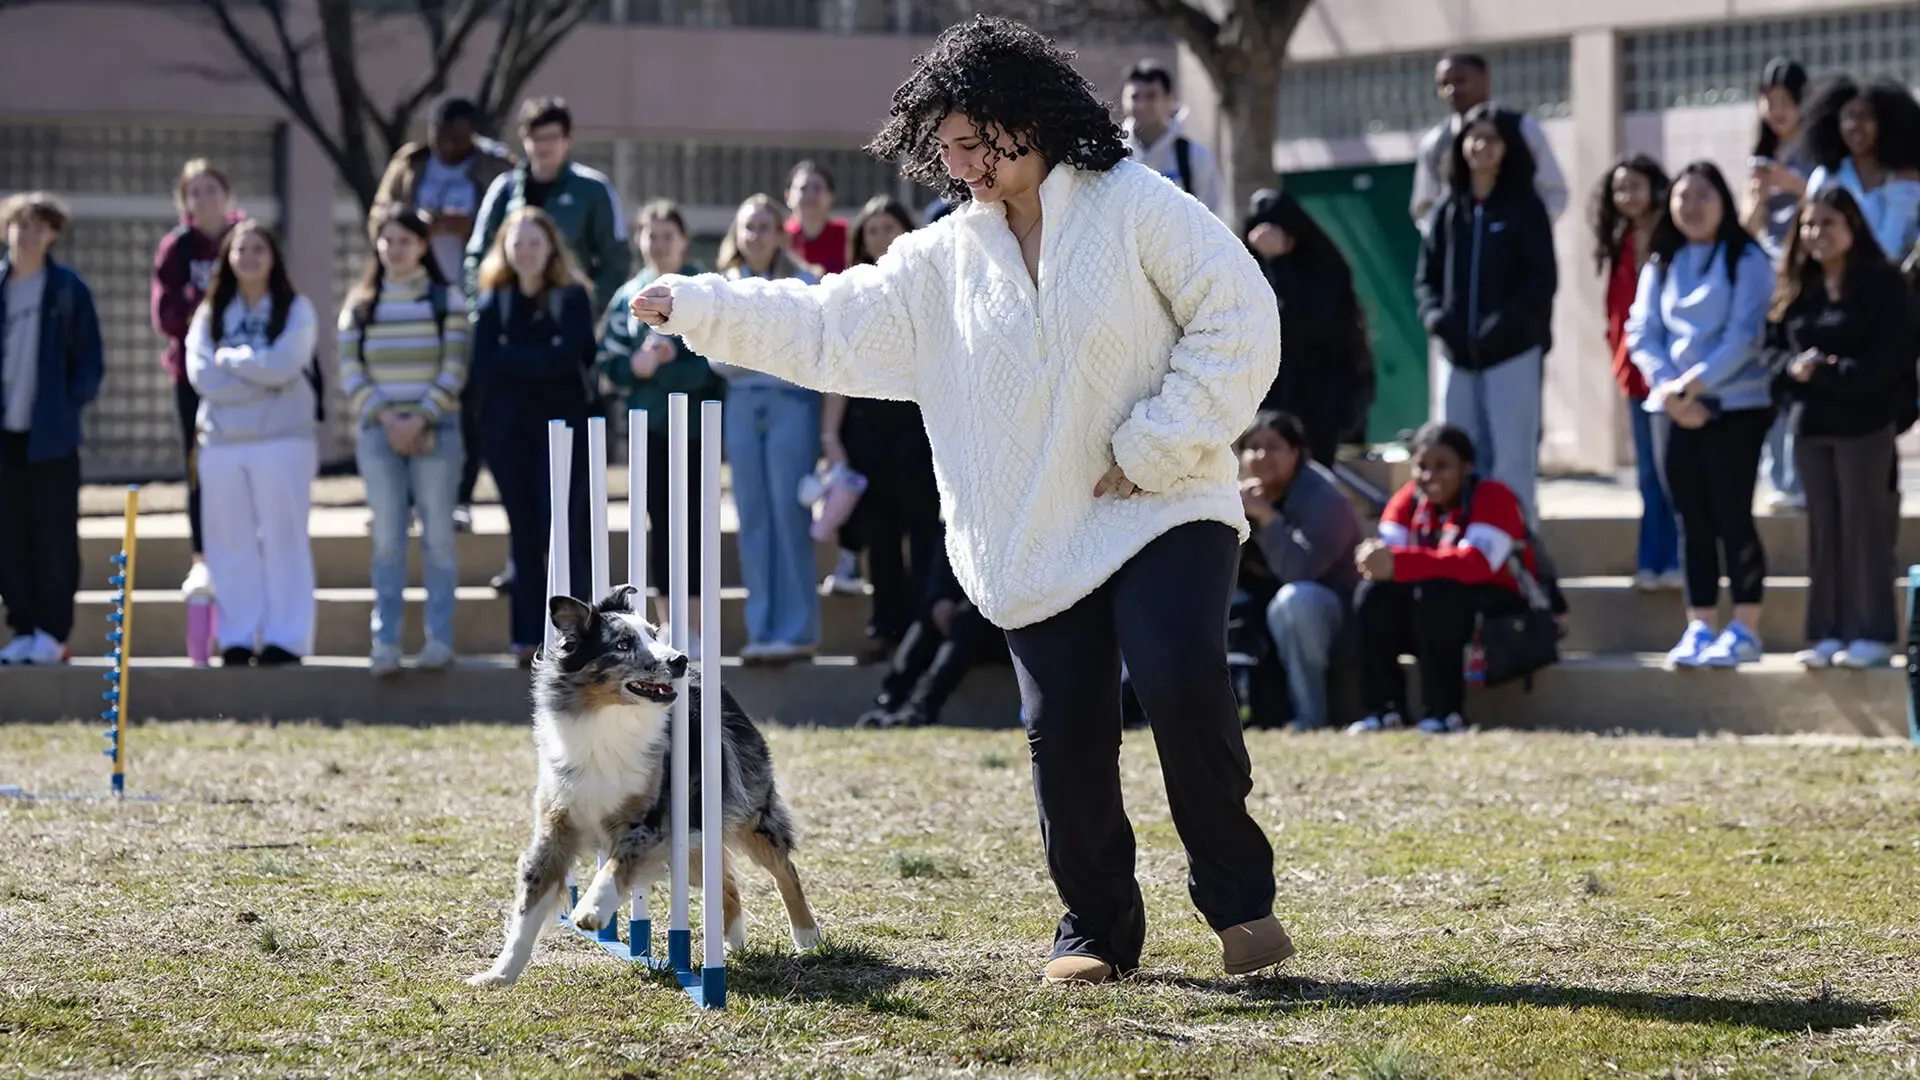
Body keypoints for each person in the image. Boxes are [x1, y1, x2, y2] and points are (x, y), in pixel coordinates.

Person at [631, 16, 1290, 985]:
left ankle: (1240, 902)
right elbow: (827, 320)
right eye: (947, 152)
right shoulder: (942, 263)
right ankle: (1097, 927)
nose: (964, 166)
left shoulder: (1137, 204)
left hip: (1164, 500)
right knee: (1063, 728)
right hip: (1037, 528)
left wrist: (1156, 441)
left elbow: (1240, 317)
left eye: (977, 143)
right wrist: (700, 305)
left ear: (1029, 118)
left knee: (1179, 674)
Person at [1625, 161, 1777, 670]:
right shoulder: (1661, 261)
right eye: (1683, 197)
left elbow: (1744, 335)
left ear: (1725, 201)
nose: (1691, 207)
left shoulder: (1746, 257)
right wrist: (1668, 389)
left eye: (1703, 196)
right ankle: (1700, 624)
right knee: (1691, 519)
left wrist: (1693, 386)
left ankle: (1745, 627)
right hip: (1670, 407)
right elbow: (1641, 332)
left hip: (1735, 406)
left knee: (1732, 516)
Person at [1765, 188, 1910, 670]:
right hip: (1811, 425)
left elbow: (1892, 357)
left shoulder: (1882, 284)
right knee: (1824, 529)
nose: (1816, 234)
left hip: (1865, 424)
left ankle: (1871, 632)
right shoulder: (1796, 286)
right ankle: (1825, 631)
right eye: (1808, 225)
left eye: (1828, 224)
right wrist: (1794, 370)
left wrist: (1830, 371)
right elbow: (1771, 351)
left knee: (1864, 527)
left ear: (1852, 226)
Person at [372, 94, 514, 533]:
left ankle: (460, 497)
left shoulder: (495, 166)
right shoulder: (410, 165)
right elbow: (378, 217)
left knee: (467, 399)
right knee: (411, 390)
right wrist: (416, 225)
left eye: (458, 140)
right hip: (418, 297)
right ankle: (402, 498)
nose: (449, 148)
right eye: (441, 138)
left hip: (472, 297)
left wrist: (465, 224)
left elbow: (516, 223)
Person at [338, 206, 469, 676]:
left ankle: (439, 642)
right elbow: (350, 373)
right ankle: (385, 645)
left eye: (406, 241)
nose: (396, 249)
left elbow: (455, 367)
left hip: (439, 435)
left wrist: (420, 419)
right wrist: (390, 420)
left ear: (422, 246)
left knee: (438, 540)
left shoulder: (446, 300)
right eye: (388, 240)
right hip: (379, 436)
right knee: (388, 542)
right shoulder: (360, 304)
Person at [184, 221, 319, 667]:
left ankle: (286, 639)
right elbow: (202, 376)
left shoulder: (296, 309)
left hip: (283, 441)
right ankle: (237, 637)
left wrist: (237, 363)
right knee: (228, 543)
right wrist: (259, 379)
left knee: (284, 539)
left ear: (274, 256)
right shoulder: (210, 313)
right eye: (241, 249)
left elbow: (286, 365)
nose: (250, 256)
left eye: (259, 248)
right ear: (228, 258)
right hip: (222, 444)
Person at [1416, 103, 1557, 523]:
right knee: (1458, 455)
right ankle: (1461, 542)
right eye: (1473, 138)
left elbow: (1541, 282)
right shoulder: (1446, 209)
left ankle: (1516, 552)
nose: (1481, 146)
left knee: (1512, 459)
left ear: (1507, 148)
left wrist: (1500, 326)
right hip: (1457, 358)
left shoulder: (1525, 207)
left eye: (1492, 138)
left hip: (1511, 354)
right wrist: (1438, 320)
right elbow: (1426, 280)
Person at [1347, 423, 1534, 735]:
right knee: (1374, 595)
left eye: (1442, 466)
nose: (1430, 476)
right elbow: (1387, 559)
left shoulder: (1493, 496)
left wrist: (1396, 562)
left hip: (1498, 613)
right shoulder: (1408, 499)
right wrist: (1374, 560)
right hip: (1431, 608)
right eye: (1421, 467)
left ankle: (1445, 712)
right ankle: (1385, 709)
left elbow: (1476, 564)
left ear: (1467, 467)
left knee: (1437, 593)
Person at [469, 207, 595, 666]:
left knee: (562, 534)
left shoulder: (573, 298)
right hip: (507, 438)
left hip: (564, 435)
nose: (525, 252)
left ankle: (576, 637)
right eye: (517, 243)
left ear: (551, 248)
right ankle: (526, 637)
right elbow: (483, 364)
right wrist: (541, 358)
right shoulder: (492, 301)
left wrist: (515, 359)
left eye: (534, 243)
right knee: (522, 536)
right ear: (504, 248)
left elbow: (568, 359)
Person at [598, 200, 724, 645]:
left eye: (669, 235)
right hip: (648, 429)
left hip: (694, 431)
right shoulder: (627, 295)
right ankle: (668, 627)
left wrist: (671, 366)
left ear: (684, 241)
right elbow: (607, 363)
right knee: (659, 524)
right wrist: (635, 366)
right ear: (639, 240)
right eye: (652, 235)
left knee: (694, 525)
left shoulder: (704, 289)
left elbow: (716, 360)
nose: (660, 244)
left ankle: (699, 627)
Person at [823, 196, 941, 653]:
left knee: (924, 529)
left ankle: (924, 628)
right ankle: (887, 629)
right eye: (871, 229)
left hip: (916, 426)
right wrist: (831, 436)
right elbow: (836, 367)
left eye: (888, 226)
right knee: (880, 533)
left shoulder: (927, 285)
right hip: (866, 429)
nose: (880, 236)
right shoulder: (849, 292)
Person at [708, 194, 822, 664]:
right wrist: (769, 350)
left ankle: (798, 631)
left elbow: (808, 356)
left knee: (787, 514)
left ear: (780, 232)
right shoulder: (721, 287)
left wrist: (753, 351)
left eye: (764, 226)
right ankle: (764, 627)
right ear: (736, 234)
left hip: (792, 405)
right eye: (747, 227)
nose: (755, 235)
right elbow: (717, 359)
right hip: (741, 407)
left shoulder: (802, 282)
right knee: (752, 516)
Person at [0, 193, 103, 667]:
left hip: (51, 438)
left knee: (55, 536)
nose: (28, 234)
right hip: (6, 438)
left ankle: (51, 633)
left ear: (54, 234)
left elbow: (89, 363)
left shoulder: (66, 289)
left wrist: (64, 408)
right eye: (21, 224)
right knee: (9, 533)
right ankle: (20, 628)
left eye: (40, 226)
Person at [1236, 411, 1363, 732]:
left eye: (1274, 447)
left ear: (1296, 452)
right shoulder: (1240, 495)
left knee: (1295, 602)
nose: (1262, 456)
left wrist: (1266, 518)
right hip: (1265, 610)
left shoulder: (1325, 496)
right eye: (1253, 447)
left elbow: (1300, 571)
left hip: (1336, 612)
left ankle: (1311, 717)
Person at [151, 159, 244, 593]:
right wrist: (200, 308)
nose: (204, 199)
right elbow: (166, 315)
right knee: (198, 464)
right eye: (195, 192)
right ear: (184, 201)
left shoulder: (245, 240)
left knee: (244, 461)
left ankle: (246, 549)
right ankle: (202, 557)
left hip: (246, 374)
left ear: (227, 194)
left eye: (212, 189)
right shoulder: (177, 248)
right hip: (192, 375)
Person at [1593, 154, 1682, 591]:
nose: (1627, 197)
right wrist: (1621, 361)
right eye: (1619, 189)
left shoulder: (1676, 234)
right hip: (1635, 374)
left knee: (1674, 472)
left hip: (1675, 374)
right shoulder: (1619, 239)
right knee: (1647, 473)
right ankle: (1651, 559)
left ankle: (1680, 559)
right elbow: (1615, 311)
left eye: (1635, 186)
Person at [466, 97, 628, 320]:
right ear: (524, 138)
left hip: (568, 317)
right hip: (510, 318)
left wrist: (588, 311)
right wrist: (482, 311)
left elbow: (615, 260)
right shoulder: (504, 189)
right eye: (536, 137)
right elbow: (477, 256)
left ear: (568, 139)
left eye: (552, 137)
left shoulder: (593, 189)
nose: (543, 146)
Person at [1242, 188, 1372, 464]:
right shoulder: (1249, 266)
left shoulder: (1322, 267)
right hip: (1267, 392)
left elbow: (1297, 320)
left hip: (1318, 394)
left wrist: (1280, 262)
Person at [1738, 59, 1814, 515]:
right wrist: (1760, 196)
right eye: (1769, 101)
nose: (1777, 111)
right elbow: (1748, 227)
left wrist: (1795, 185)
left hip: (1806, 272)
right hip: (1768, 276)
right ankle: (1780, 479)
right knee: (1773, 377)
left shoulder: (1817, 151)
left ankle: (1800, 478)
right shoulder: (1759, 157)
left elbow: (1829, 204)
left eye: (1786, 101)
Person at [783, 161, 861, 597]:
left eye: (818, 187)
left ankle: (848, 559)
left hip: (836, 364)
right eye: (802, 187)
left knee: (840, 464)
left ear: (829, 196)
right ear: (789, 194)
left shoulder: (845, 237)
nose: (810, 194)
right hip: (793, 366)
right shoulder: (781, 237)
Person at [853, 541, 1005, 729]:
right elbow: (943, 563)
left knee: (968, 624)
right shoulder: (959, 518)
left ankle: (921, 709)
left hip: (1004, 623)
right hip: (960, 611)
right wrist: (939, 599)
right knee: (926, 621)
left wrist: (975, 602)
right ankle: (892, 700)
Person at [1409, 52, 1568, 230]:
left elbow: (1553, 191)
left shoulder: (1522, 129)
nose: (1451, 90)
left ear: (1485, 79)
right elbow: (1424, 205)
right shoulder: (1435, 142)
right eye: (1444, 84)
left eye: (1461, 80)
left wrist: (1526, 235)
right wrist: (1447, 239)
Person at [1802, 78, 1920, 267]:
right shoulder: (1825, 177)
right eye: (1849, 116)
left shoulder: (1905, 181)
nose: (1855, 125)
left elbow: (1891, 250)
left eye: (1865, 116)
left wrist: (1903, 194)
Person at [1120, 59, 1224, 218]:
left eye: (1151, 96)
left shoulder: (1195, 156)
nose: (1141, 105)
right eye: (1135, 97)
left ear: (1169, 100)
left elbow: (1215, 217)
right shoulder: (1113, 154)